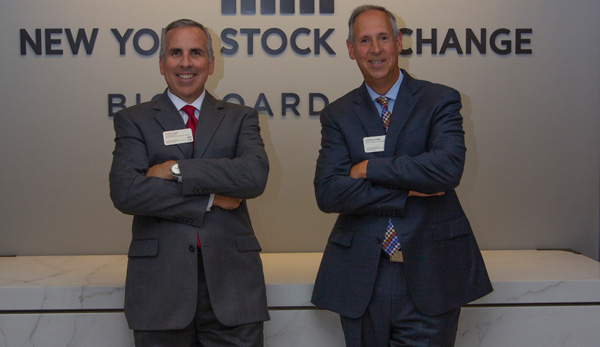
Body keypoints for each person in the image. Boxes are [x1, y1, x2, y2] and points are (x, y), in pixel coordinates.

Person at [311, 5, 492, 346]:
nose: (375, 49)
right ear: (351, 50)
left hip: (431, 270)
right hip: (363, 274)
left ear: (398, 42)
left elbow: (446, 169)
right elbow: (329, 192)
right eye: (364, 41)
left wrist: (369, 169)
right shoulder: (337, 114)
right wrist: (406, 191)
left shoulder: (439, 100)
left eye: (383, 38)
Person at [109, 19, 269, 346]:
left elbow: (252, 177)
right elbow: (127, 192)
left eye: (195, 53)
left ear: (211, 64)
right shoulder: (133, 120)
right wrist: (211, 198)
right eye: (175, 53)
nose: (185, 63)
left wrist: (175, 169)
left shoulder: (241, 118)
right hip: (160, 286)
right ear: (161, 63)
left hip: (232, 285)